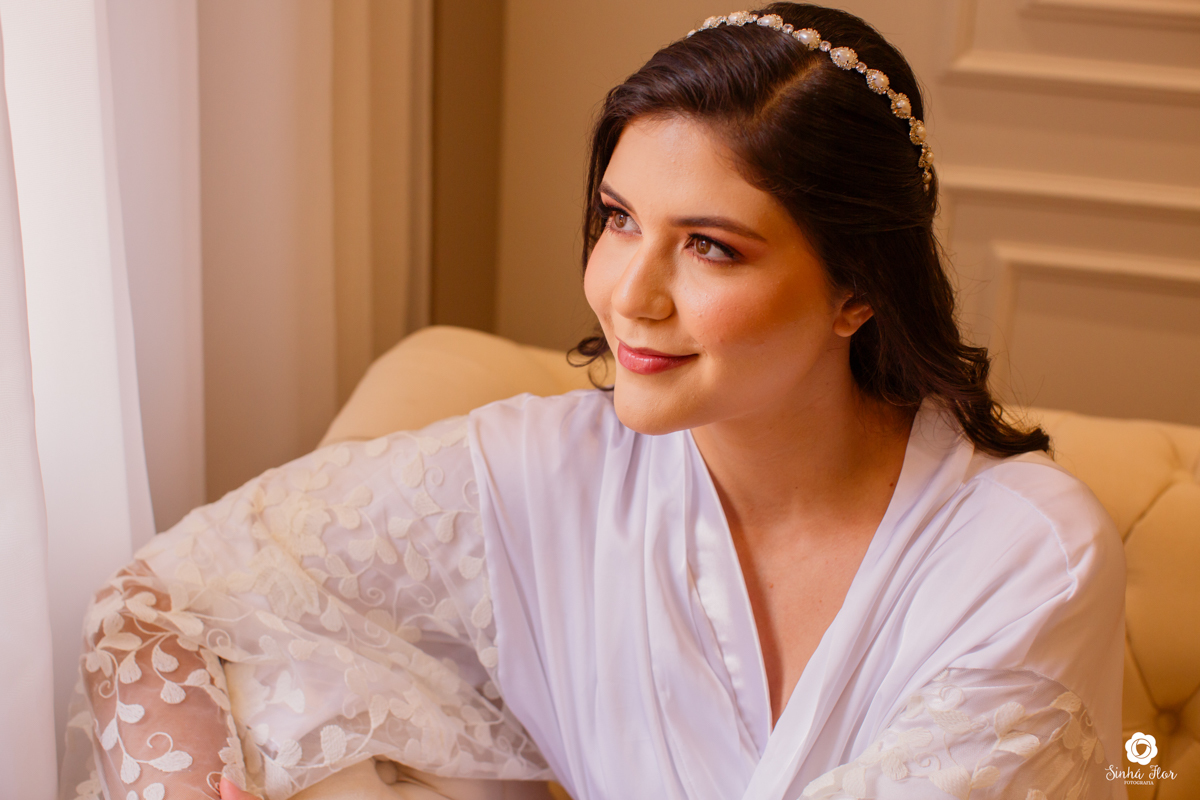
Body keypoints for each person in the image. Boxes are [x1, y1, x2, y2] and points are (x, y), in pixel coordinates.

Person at [62, 4, 1126, 800]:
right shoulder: (539, 474)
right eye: (620, 220)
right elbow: (161, 599)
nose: (629, 294)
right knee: (277, 702)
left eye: (710, 246)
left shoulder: (1027, 553)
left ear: (857, 288)